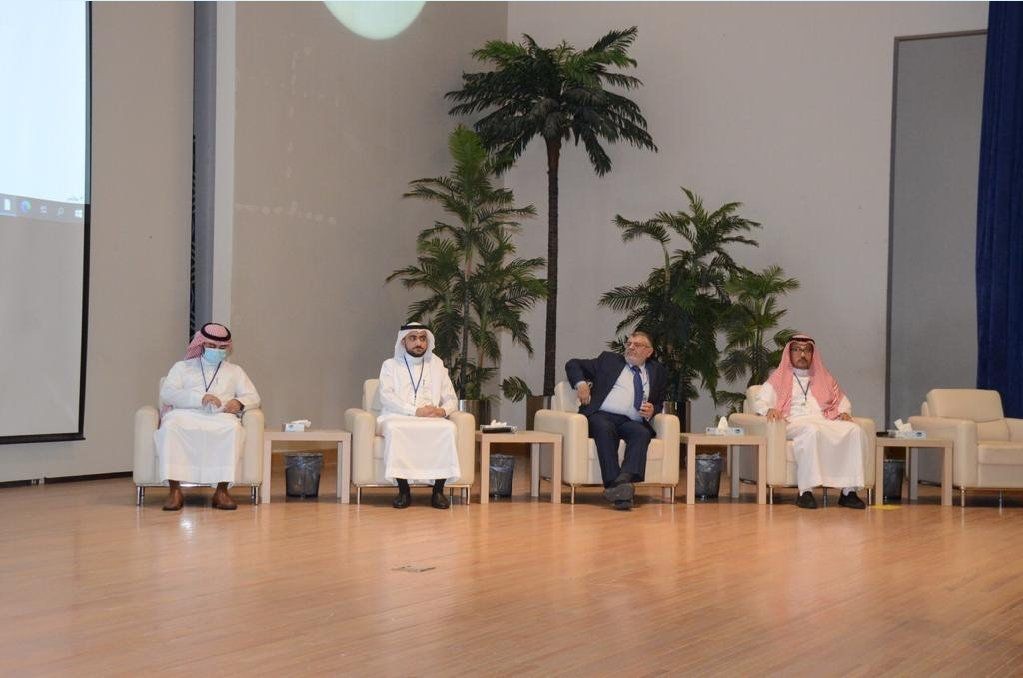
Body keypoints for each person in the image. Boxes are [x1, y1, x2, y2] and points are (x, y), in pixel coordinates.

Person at [154, 322, 260, 511]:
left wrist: (239, 402)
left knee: (233, 428)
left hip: (220, 417)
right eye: (212, 345)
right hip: (185, 414)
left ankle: (221, 492)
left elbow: (253, 396)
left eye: (221, 347)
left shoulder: (235, 371)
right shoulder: (182, 367)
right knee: (170, 427)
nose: (216, 350)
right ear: (201, 344)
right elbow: (168, 393)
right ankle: (174, 491)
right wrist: (200, 398)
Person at [755, 333, 868, 509]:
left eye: (807, 350)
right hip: (793, 422)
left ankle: (848, 493)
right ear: (789, 353)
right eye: (797, 350)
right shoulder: (779, 378)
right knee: (811, 430)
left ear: (812, 354)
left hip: (823, 420)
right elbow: (760, 401)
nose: (802, 354)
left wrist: (844, 413)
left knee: (854, 430)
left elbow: (842, 402)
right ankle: (805, 492)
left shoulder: (824, 378)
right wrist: (768, 409)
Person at [565, 331, 667, 510]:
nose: (631, 347)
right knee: (604, 428)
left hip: (631, 421)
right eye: (629, 343)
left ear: (649, 352)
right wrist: (581, 384)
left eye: (637, 345)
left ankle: (622, 481)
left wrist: (653, 410)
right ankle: (616, 485)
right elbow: (572, 364)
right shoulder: (609, 361)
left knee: (642, 433)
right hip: (601, 415)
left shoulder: (657, 371)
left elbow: (658, 402)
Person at [377, 323, 461, 510]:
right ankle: (403, 490)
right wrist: (414, 411)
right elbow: (387, 397)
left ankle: (438, 491)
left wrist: (442, 411)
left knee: (449, 428)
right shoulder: (390, 365)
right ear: (403, 341)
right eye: (413, 338)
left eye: (423, 338)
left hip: (430, 417)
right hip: (397, 416)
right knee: (395, 429)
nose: (418, 343)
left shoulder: (437, 365)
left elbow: (451, 398)